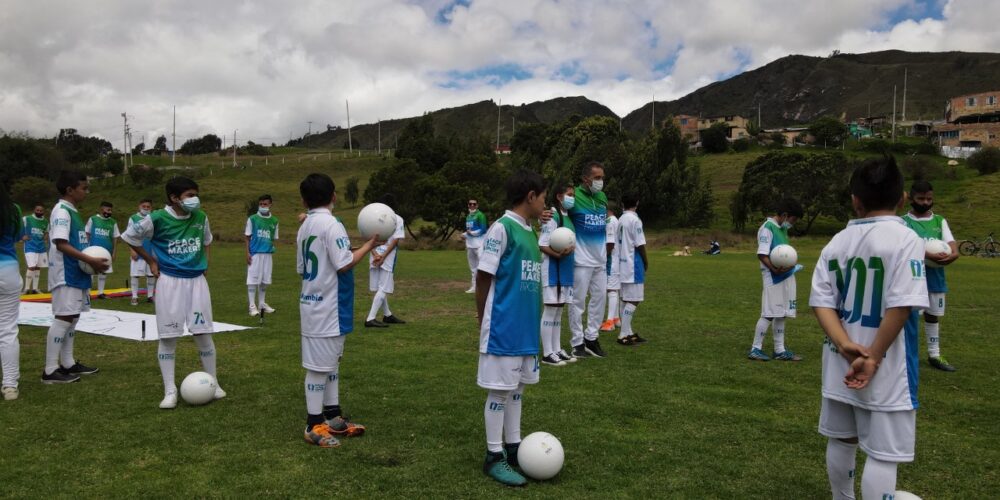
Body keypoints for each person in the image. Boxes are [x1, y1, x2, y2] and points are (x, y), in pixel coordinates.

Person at [810, 156, 928, 499]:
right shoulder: (906, 239)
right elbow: (901, 303)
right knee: (882, 453)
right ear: (903, 198)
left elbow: (822, 302)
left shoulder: (836, 242)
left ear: (855, 201)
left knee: (842, 438)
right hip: (887, 366)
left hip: (840, 360)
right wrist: (873, 356)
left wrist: (846, 345)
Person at [121, 176, 225, 409]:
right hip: (170, 282)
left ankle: (214, 384)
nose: (195, 199)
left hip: (196, 282)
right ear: (174, 198)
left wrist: (205, 263)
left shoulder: (201, 217)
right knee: (168, 337)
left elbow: (207, 241)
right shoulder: (156, 218)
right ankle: (170, 390)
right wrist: (150, 261)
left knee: (204, 333)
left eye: (196, 194)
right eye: (189, 195)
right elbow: (129, 237)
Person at [475, 170, 545, 486]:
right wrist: (483, 321)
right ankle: (493, 456)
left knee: (517, 390)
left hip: (526, 328)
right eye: (543, 196)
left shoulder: (530, 231)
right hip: (503, 326)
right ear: (530, 196)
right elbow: (483, 276)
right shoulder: (501, 229)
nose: (545, 203)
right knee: (500, 392)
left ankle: (514, 448)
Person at [296, 173, 377, 447]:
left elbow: (301, 268)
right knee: (319, 368)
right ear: (333, 196)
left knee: (330, 363)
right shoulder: (332, 224)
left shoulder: (305, 225)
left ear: (304, 200)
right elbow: (343, 263)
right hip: (327, 307)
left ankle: (332, 416)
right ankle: (313, 424)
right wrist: (369, 245)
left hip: (316, 304)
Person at [42, 170, 106, 384]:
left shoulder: (73, 211)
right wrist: (91, 261)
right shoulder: (61, 211)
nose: (86, 191)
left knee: (73, 317)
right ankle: (50, 369)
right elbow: (60, 243)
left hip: (77, 273)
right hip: (65, 273)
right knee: (64, 317)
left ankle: (68, 363)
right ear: (70, 190)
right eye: (83, 187)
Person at [903, 180, 959, 372]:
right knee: (907, 316)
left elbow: (952, 244)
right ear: (911, 198)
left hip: (935, 277)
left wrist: (953, 255)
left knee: (933, 316)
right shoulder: (903, 222)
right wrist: (926, 254)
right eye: (921, 198)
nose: (925, 202)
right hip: (911, 277)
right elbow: (904, 247)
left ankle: (934, 354)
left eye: (929, 199)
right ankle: (904, 354)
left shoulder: (939, 220)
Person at [748, 199, 804, 362]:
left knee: (782, 313)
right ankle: (755, 349)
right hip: (773, 276)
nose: (792, 224)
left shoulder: (781, 229)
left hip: (785, 275)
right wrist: (774, 269)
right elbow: (762, 254)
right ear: (785, 215)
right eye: (793, 220)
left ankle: (780, 350)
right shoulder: (768, 228)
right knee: (769, 312)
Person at [567, 161, 609, 358]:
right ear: (586, 179)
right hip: (581, 260)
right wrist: (544, 216)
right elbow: (559, 212)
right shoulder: (573, 195)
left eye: (602, 178)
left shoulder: (602, 197)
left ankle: (591, 338)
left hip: (600, 260)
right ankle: (577, 342)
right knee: (577, 302)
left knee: (600, 299)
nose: (600, 182)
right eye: (597, 178)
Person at [538, 183, 576, 366]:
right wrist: (558, 255)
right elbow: (543, 244)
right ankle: (547, 353)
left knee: (559, 311)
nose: (572, 198)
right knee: (551, 310)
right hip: (553, 270)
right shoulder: (552, 215)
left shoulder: (568, 216)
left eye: (573, 195)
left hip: (565, 271)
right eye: (569, 194)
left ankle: (557, 348)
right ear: (559, 196)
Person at [364, 194, 406, 328]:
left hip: (374, 255)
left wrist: (375, 253)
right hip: (388, 256)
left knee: (380, 286)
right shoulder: (397, 218)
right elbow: (395, 240)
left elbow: (367, 237)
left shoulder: (372, 217)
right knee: (383, 287)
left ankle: (387, 315)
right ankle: (370, 318)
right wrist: (383, 256)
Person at [616, 194, 648, 346]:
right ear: (637, 203)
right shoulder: (635, 220)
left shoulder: (621, 219)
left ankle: (628, 332)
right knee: (635, 299)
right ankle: (623, 334)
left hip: (621, 262)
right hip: (633, 262)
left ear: (622, 204)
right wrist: (646, 261)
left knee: (625, 298)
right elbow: (639, 243)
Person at [1, 192, 23, 400]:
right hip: (8, 270)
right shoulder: (13, 208)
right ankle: (9, 385)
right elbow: (17, 236)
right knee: (8, 331)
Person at [245, 194, 279, 317]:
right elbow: (247, 237)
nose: (262, 206)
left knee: (265, 280)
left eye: (265, 204)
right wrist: (248, 253)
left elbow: (273, 238)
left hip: (267, 254)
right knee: (253, 279)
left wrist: (270, 247)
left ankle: (262, 303)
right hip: (255, 253)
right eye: (260, 204)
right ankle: (252, 306)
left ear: (270, 205)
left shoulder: (275, 221)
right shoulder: (252, 219)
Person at [85, 201, 120, 299]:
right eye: (108, 209)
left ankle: (100, 293)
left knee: (103, 271)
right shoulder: (93, 219)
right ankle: (88, 292)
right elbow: (87, 233)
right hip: (93, 250)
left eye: (111, 210)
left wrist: (114, 252)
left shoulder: (113, 222)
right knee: (91, 270)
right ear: (101, 209)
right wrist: (85, 247)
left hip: (107, 251)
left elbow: (115, 238)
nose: (109, 212)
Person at [127, 199, 156, 306]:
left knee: (151, 275)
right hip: (137, 250)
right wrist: (132, 250)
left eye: (148, 207)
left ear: (151, 208)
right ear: (139, 206)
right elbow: (129, 235)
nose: (146, 208)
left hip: (151, 251)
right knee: (135, 275)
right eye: (144, 206)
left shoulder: (153, 218)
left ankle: (150, 296)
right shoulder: (133, 218)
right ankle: (134, 297)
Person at [600, 201, 621, 332]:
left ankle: (609, 322)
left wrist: (604, 256)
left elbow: (610, 242)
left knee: (611, 290)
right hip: (616, 259)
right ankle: (616, 319)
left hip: (611, 260)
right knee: (615, 289)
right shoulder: (615, 220)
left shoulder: (610, 221)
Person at [462, 198, 488, 294]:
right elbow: (469, 231)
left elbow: (483, 230)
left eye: (474, 204)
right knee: (473, 268)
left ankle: (485, 286)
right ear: (468, 205)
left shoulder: (480, 215)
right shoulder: (468, 216)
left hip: (479, 245)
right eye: (470, 204)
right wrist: (464, 234)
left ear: (477, 205)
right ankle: (474, 286)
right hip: (470, 245)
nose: (472, 205)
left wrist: (470, 233)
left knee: (482, 266)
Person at [20, 204, 48, 294]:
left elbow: (46, 232)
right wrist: (21, 236)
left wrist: (46, 237)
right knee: (31, 266)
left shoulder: (45, 221)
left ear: (43, 212)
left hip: (41, 247)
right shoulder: (27, 219)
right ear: (34, 210)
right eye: (37, 210)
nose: (39, 212)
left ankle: (35, 289)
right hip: (30, 246)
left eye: (41, 210)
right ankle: (26, 288)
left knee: (37, 267)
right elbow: (19, 227)